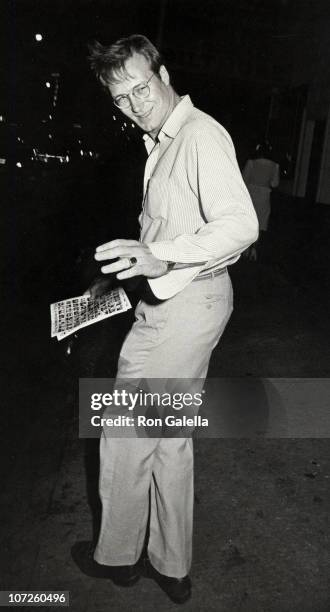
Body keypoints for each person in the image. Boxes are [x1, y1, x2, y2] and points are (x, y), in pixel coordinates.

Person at [83, 34, 258, 604]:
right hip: (179, 298)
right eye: (121, 98)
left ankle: (119, 558)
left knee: (126, 431)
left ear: (162, 70)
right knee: (168, 437)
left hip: (186, 305)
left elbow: (240, 226)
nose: (135, 103)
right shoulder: (163, 140)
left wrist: (161, 256)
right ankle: (171, 565)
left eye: (141, 87)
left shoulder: (199, 135)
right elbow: (163, 232)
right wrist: (118, 278)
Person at [242, 141, 280, 261]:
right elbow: (275, 183)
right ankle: (254, 249)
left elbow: (244, 179)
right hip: (264, 196)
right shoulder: (274, 166)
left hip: (251, 194)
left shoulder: (251, 163)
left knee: (248, 220)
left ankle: (245, 247)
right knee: (261, 222)